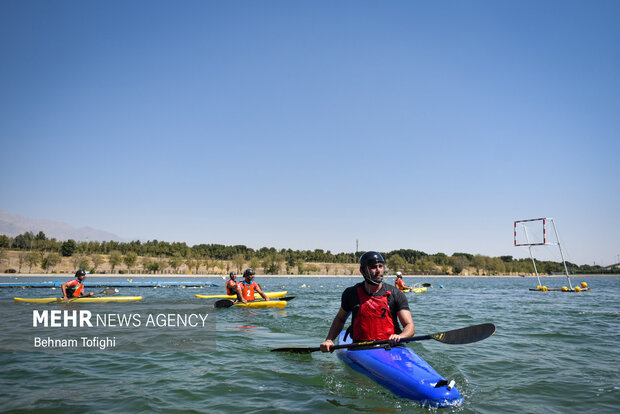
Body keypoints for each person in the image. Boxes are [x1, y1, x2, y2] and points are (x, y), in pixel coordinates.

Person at [320, 251, 414, 352]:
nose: (378, 270)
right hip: (360, 347)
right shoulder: (351, 293)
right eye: (373, 267)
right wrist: (329, 340)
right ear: (362, 270)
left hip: (391, 347)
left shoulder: (396, 294)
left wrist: (401, 336)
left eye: (380, 266)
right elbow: (340, 319)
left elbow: (410, 326)